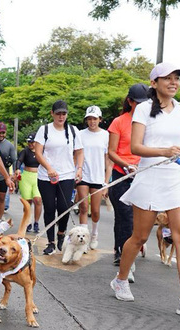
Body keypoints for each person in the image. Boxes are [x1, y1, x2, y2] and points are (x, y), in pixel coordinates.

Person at [110, 62, 180, 319]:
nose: (174, 82)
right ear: (154, 83)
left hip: (176, 178)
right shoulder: (143, 109)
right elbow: (135, 147)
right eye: (168, 78)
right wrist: (163, 151)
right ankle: (121, 279)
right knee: (140, 237)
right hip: (150, 175)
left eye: (177, 78)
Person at [34, 100, 84, 256]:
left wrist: (79, 169)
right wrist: (49, 168)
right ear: (52, 114)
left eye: (64, 113)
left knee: (64, 207)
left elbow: (79, 151)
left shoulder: (73, 130)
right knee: (49, 208)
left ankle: (61, 233)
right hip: (46, 176)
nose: (61, 117)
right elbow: (38, 153)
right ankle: (50, 242)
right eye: (58, 113)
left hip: (67, 175)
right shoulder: (44, 130)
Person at [108, 83, 149, 274]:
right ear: (130, 101)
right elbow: (111, 152)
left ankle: (132, 247)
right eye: (137, 102)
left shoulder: (150, 121)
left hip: (144, 174)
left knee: (138, 217)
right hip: (121, 175)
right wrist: (126, 164)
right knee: (124, 215)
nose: (141, 106)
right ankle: (122, 253)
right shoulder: (119, 122)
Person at [76, 105, 112, 250]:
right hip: (83, 175)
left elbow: (109, 160)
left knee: (95, 211)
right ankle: (83, 240)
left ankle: (95, 234)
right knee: (83, 207)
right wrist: (76, 171)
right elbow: (77, 154)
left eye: (95, 119)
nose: (92, 122)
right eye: (89, 119)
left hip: (98, 177)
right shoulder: (80, 134)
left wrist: (106, 182)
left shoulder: (106, 135)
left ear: (100, 119)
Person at [15, 134, 42, 233]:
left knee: (38, 200)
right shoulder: (25, 151)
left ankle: (36, 222)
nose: (30, 144)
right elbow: (19, 160)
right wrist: (17, 169)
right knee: (27, 201)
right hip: (26, 176)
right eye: (29, 142)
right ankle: (28, 222)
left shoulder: (41, 151)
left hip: (38, 176)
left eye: (32, 142)